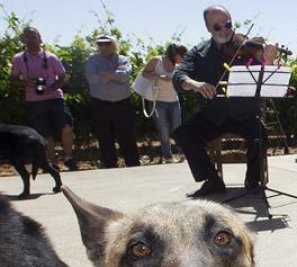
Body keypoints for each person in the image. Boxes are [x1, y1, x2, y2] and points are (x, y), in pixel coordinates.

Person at [173, 4, 278, 198]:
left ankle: (252, 180)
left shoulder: (247, 48)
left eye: (228, 24)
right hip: (213, 114)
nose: (224, 30)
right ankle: (212, 180)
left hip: (245, 113)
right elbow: (180, 75)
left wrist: (268, 61)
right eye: (217, 27)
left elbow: (265, 79)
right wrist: (195, 84)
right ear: (208, 28)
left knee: (260, 136)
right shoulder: (199, 52)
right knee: (184, 134)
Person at [10, 26, 77, 171]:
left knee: (67, 127)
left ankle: (68, 157)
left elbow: (63, 78)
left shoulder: (51, 57)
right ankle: (53, 163)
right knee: (44, 133)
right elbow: (13, 78)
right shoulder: (19, 59)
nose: (31, 40)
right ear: (23, 39)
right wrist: (25, 83)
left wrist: (52, 87)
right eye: (28, 37)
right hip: (34, 101)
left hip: (55, 98)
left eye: (34, 36)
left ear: (40, 38)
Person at [84, 34, 141, 168]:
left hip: (123, 103)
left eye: (107, 43)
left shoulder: (123, 60)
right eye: (100, 44)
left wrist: (104, 74)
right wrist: (113, 75)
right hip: (100, 104)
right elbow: (92, 79)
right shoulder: (92, 61)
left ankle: (133, 163)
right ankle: (109, 165)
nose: (103, 46)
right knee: (104, 136)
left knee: (127, 135)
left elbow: (124, 76)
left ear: (114, 45)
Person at [140, 43, 188, 163]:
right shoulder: (157, 61)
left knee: (178, 128)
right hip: (158, 101)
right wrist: (159, 76)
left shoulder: (179, 65)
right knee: (163, 129)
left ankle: (182, 154)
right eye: (182, 56)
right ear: (175, 54)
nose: (183, 58)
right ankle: (168, 156)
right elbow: (144, 73)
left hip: (174, 100)